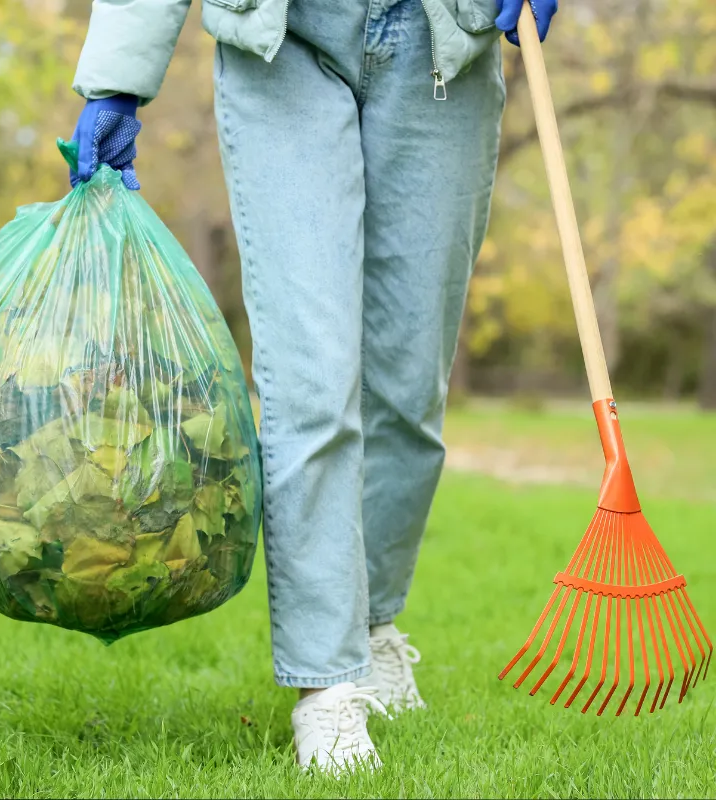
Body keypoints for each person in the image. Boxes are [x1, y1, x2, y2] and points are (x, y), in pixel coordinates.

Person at [70, 0, 558, 774]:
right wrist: (117, 78)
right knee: (311, 382)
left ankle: (371, 629)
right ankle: (326, 684)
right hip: (283, 47)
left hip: (442, 45)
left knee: (408, 389)